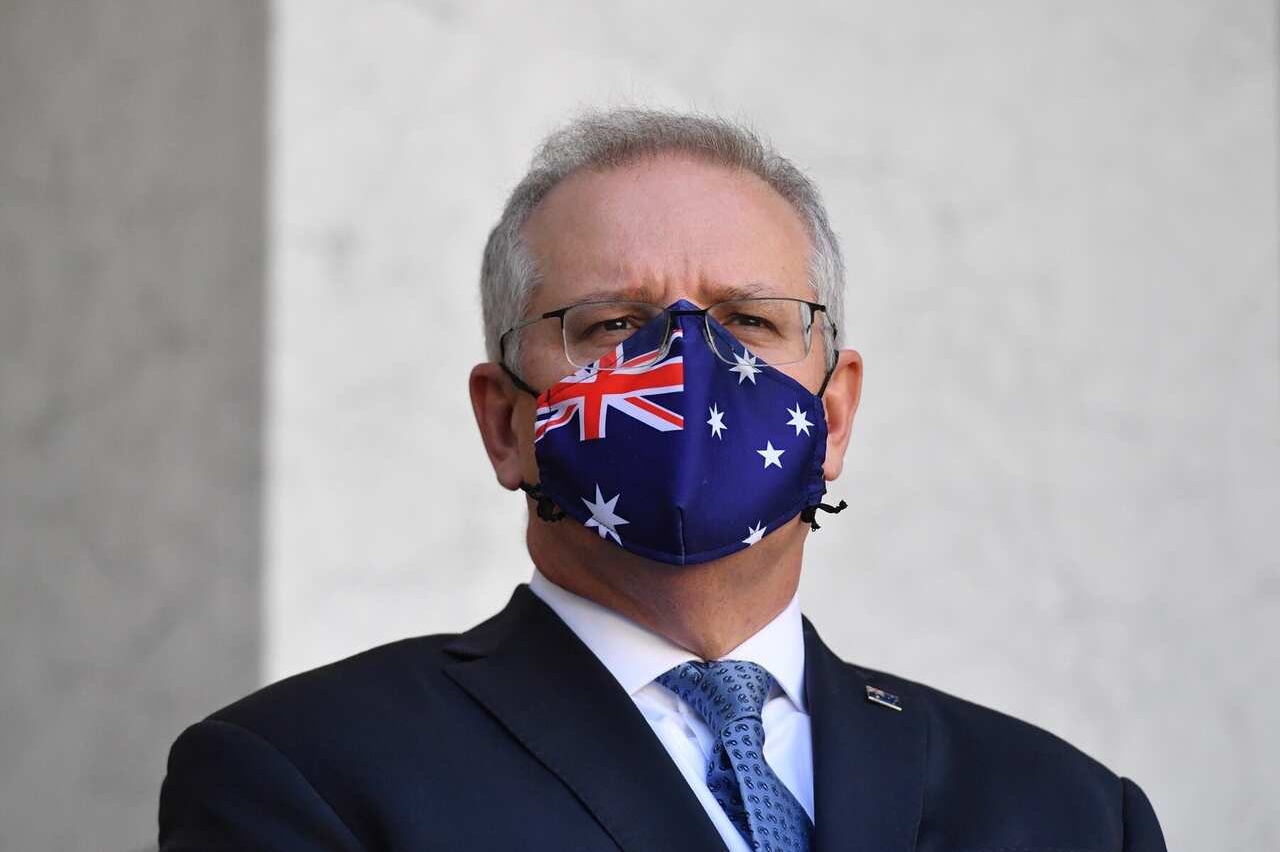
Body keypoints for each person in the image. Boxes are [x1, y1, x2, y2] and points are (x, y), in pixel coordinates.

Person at [158, 107, 1168, 851]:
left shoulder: (1066, 812)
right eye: (608, 325)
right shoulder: (308, 778)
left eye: (748, 319)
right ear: (502, 420)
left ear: (835, 414)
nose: (688, 365)